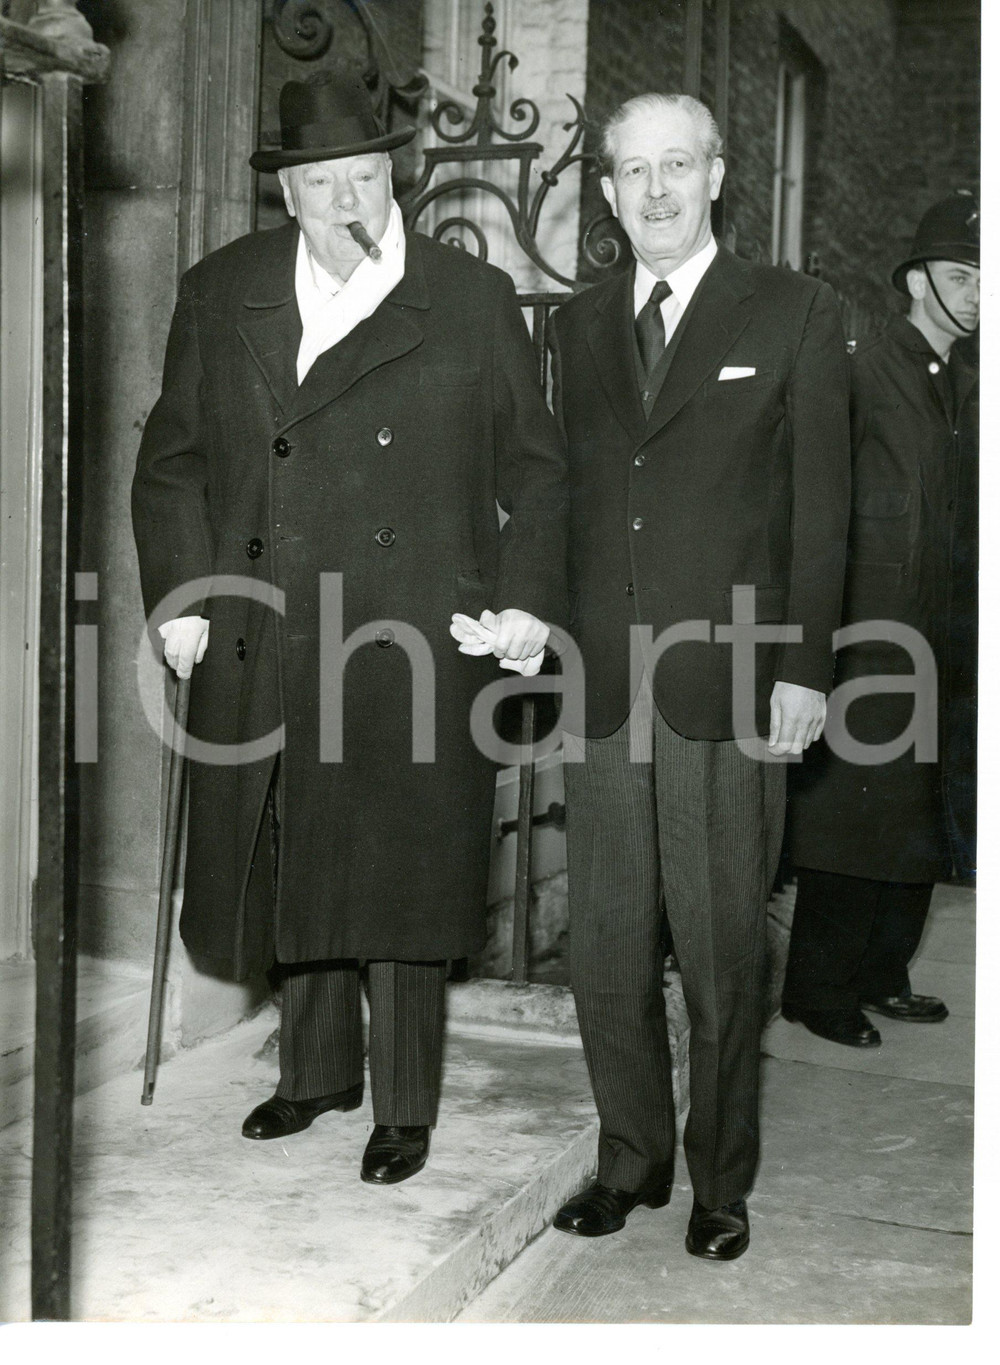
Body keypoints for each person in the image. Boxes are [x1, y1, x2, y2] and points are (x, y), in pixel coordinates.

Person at [131, 67, 567, 1185]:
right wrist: (179, 598)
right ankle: (314, 1075)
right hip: (264, 620)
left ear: (396, 180)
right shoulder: (220, 291)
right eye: (323, 181)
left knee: (399, 867)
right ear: (288, 194)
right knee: (293, 849)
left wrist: (518, 601)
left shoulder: (467, 298)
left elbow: (539, 470)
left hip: (412, 628)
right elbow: (172, 464)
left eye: (366, 176)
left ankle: (405, 1102)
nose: (348, 201)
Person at [548, 92, 850, 1260]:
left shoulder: (793, 311)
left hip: (731, 691)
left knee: (724, 948)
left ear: (718, 173)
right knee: (605, 945)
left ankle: (721, 1178)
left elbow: (821, 516)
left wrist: (805, 672)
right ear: (610, 190)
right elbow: (569, 498)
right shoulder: (575, 327)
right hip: (608, 686)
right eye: (633, 171)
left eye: (678, 165)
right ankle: (630, 1156)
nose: (657, 190)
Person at [782, 193, 979, 1048]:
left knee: (919, 809)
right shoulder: (866, 362)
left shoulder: (966, 384)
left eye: (986, 279)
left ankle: (882, 972)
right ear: (917, 281)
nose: (975, 294)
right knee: (850, 813)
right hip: (868, 631)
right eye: (960, 275)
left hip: (943, 632)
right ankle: (817, 989)